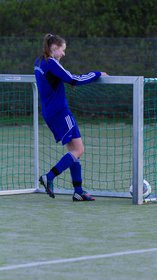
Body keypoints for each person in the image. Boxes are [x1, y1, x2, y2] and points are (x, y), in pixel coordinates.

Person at [34, 34, 108, 201]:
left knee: (73, 151)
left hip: (49, 112)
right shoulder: (51, 63)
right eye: (63, 50)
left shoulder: (39, 61)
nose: (64, 54)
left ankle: (78, 191)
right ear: (54, 48)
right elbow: (74, 79)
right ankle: (49, 176)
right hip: (60, 112)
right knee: (78, 149)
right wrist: (97, 73)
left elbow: (52, 81)